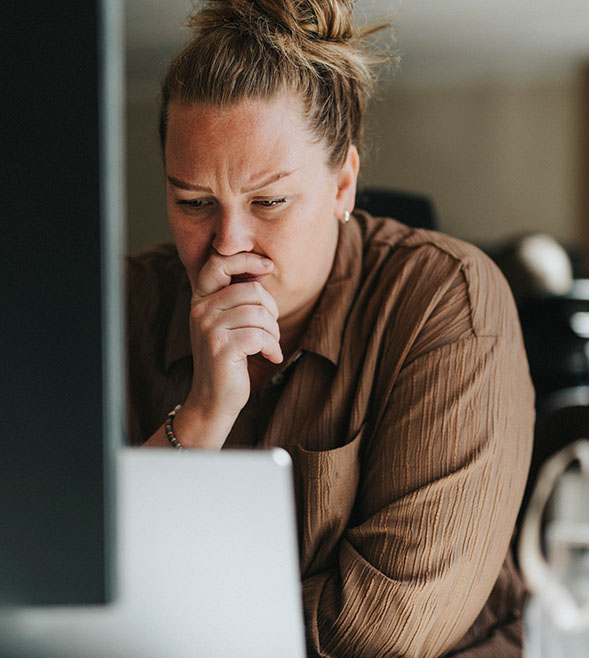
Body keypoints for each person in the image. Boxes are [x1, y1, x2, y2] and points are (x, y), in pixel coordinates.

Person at [126, 1, 535, 655]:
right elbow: (64, 578)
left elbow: (390, 626)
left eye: (270, 201)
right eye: (194, 203)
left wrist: (165, 618)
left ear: (343, 183)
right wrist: (201, 416)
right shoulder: (123, 306)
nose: (228, 243)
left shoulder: (446, 300)